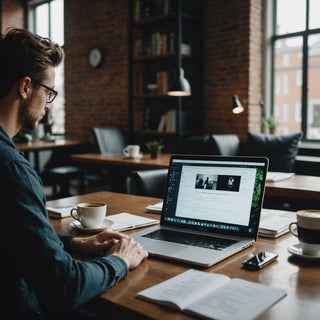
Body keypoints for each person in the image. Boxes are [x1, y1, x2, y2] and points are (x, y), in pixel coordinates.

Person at [0, 28, 148, 319]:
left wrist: (73, 242)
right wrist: (120, 260)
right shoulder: (13, 171)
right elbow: (65, 285)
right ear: (26, 87)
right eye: (50, 92)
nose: (48, 103)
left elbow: (14, 235)